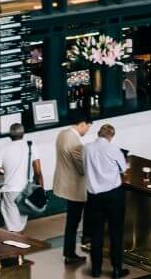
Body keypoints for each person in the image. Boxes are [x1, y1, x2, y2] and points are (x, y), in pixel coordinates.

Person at [83, 122, 130, 279]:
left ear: (99, 134)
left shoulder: (87, 148)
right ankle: (116, 269)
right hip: (113, 195)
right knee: (115, 232)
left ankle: (96, 269)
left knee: (96, 233)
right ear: (111, 136)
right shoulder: (113, 149)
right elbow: (123, 168)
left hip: (94, 197)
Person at [53, 110, 91, 265]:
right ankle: (70, 254)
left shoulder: (62, 134)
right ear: (82, 124)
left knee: (71, 221)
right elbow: (82, 169)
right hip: (75, 188)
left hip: (64, 184)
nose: (88, 130)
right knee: (73, 223)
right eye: (88, 127)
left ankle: (69, 252)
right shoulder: (75, 142)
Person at [0, 123, 43, 233]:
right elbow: (38, 172)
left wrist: (2, 175)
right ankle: (21, 246)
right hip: (26, 191)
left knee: (14, 227)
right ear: (23, 134)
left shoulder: (3, 149)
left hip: (10, 191)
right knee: (20, 224)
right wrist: (41, 190)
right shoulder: (31, 146)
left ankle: (17, 247)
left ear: (10, 135)